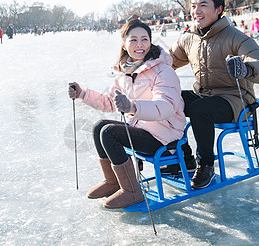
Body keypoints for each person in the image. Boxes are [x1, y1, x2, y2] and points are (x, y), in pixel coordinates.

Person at [67, 19, 188, 209]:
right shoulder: (124, 73)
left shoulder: (163, 71)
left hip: (164, 135)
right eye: (133, 40)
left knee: (109, 132)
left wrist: (132, 106)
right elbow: (110, 102)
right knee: (99, 126)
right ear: (124, 44)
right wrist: (82, 94)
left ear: (150, 42)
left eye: (144, 39)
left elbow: (166, 107)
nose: (139, 45)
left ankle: (132, 191)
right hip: (140, 129)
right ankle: (114, 181)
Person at [168, 0, 259, 189]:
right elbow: (166, 60)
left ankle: (206, 165)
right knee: (170, 99)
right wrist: (139, 63)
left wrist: (247, 69)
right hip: (205, 95)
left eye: (203, 5)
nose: (196, 11)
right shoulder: (189, 38)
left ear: (219, 10)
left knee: (200, 110)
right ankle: (182, 156)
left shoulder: (234, 37)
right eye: (193, 6)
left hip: (235, 100)